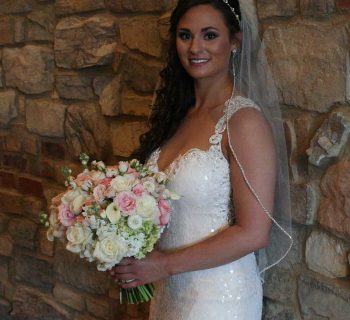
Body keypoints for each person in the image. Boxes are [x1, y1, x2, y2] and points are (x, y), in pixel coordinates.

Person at [111, 0, 293, 319]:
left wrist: (163, 265)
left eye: (209, 35)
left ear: (234, 41)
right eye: (185, 35)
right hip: (169, 293)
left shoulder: (243, 121)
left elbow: (254, 232)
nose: (196, 47)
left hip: (219, 298)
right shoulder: (176, 117)